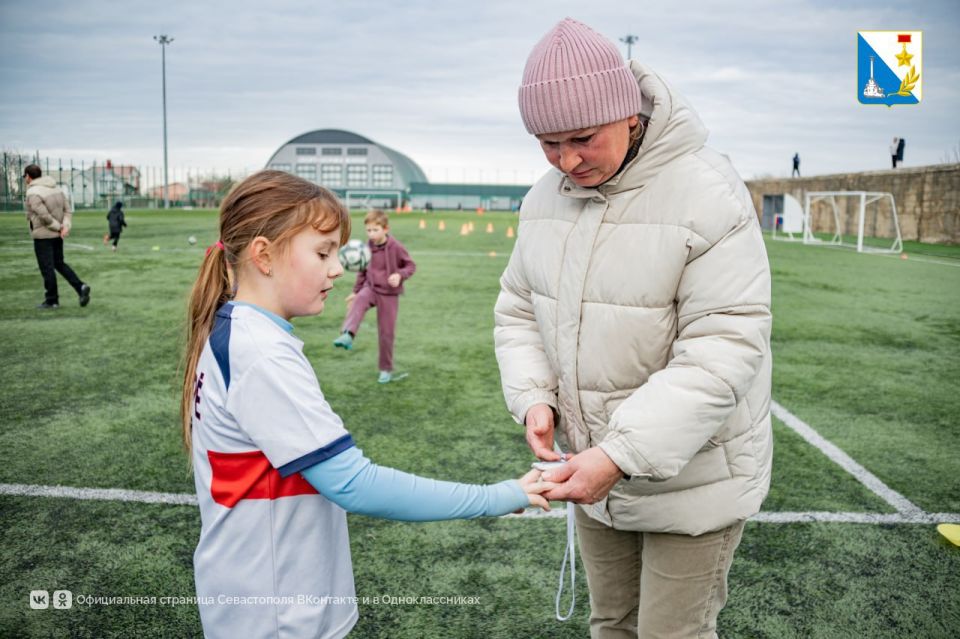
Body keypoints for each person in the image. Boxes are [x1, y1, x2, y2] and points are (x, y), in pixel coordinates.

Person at [181, 170, 556, 639]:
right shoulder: (260, 353)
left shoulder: (236, 328)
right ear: (263, 255)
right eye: (323, 253)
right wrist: (495, 497)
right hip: (277, 610)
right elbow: (352, 483)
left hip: (257, 594)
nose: (337, 268)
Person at [495, 18, 773, 638]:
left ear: (627, 115)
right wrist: (535, 396)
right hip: (594, 475)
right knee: (612, 625)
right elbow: (518, 307)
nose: (567, 160)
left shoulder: (708, 193)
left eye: (582, 138)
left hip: (696, 480)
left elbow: (724, 346)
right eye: (547, 143)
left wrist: (621, 454)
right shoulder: (543, 200)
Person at [332, 209, 416, 384]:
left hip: (389, 294)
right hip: (370, 288)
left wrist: (399, 275)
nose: (371, 234)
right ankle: (348, 334)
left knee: (386, 333)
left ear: (385, 229)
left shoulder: (396, 247)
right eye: (368, 230)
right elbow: (362, 272)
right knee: (359, 299)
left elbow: (410, 266)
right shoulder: (365, 248)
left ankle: (385, 369)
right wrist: (355, 292)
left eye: (375, 230)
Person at [23, 164, 91, 309]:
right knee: (59, 264)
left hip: (43, 236)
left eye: (25, 176)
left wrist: (59, 227)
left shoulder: (33, 192)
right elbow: (68, 211)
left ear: (28, 176)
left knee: (47, 268)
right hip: (57, 235)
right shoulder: (57, 188)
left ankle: (52, 300)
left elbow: (44, 216)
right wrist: (64, 227)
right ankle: (81, 287)